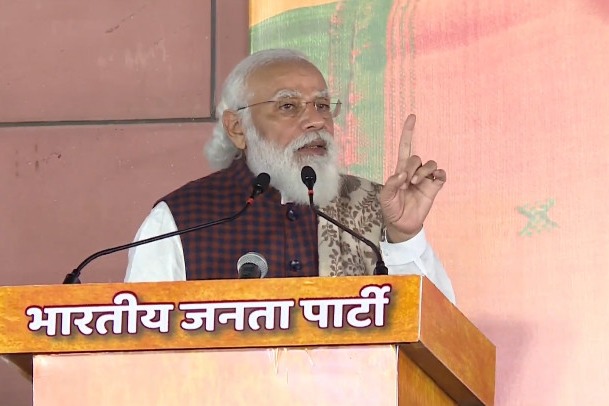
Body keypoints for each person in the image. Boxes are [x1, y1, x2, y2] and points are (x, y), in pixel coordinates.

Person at [125, 48, 455, 304]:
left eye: (322, 105)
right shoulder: (181, 219)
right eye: (288, 106)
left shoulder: (375, 205)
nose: (316, 121)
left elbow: (440, 337)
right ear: (238, 128)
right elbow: (140, 347)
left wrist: (405, 237)